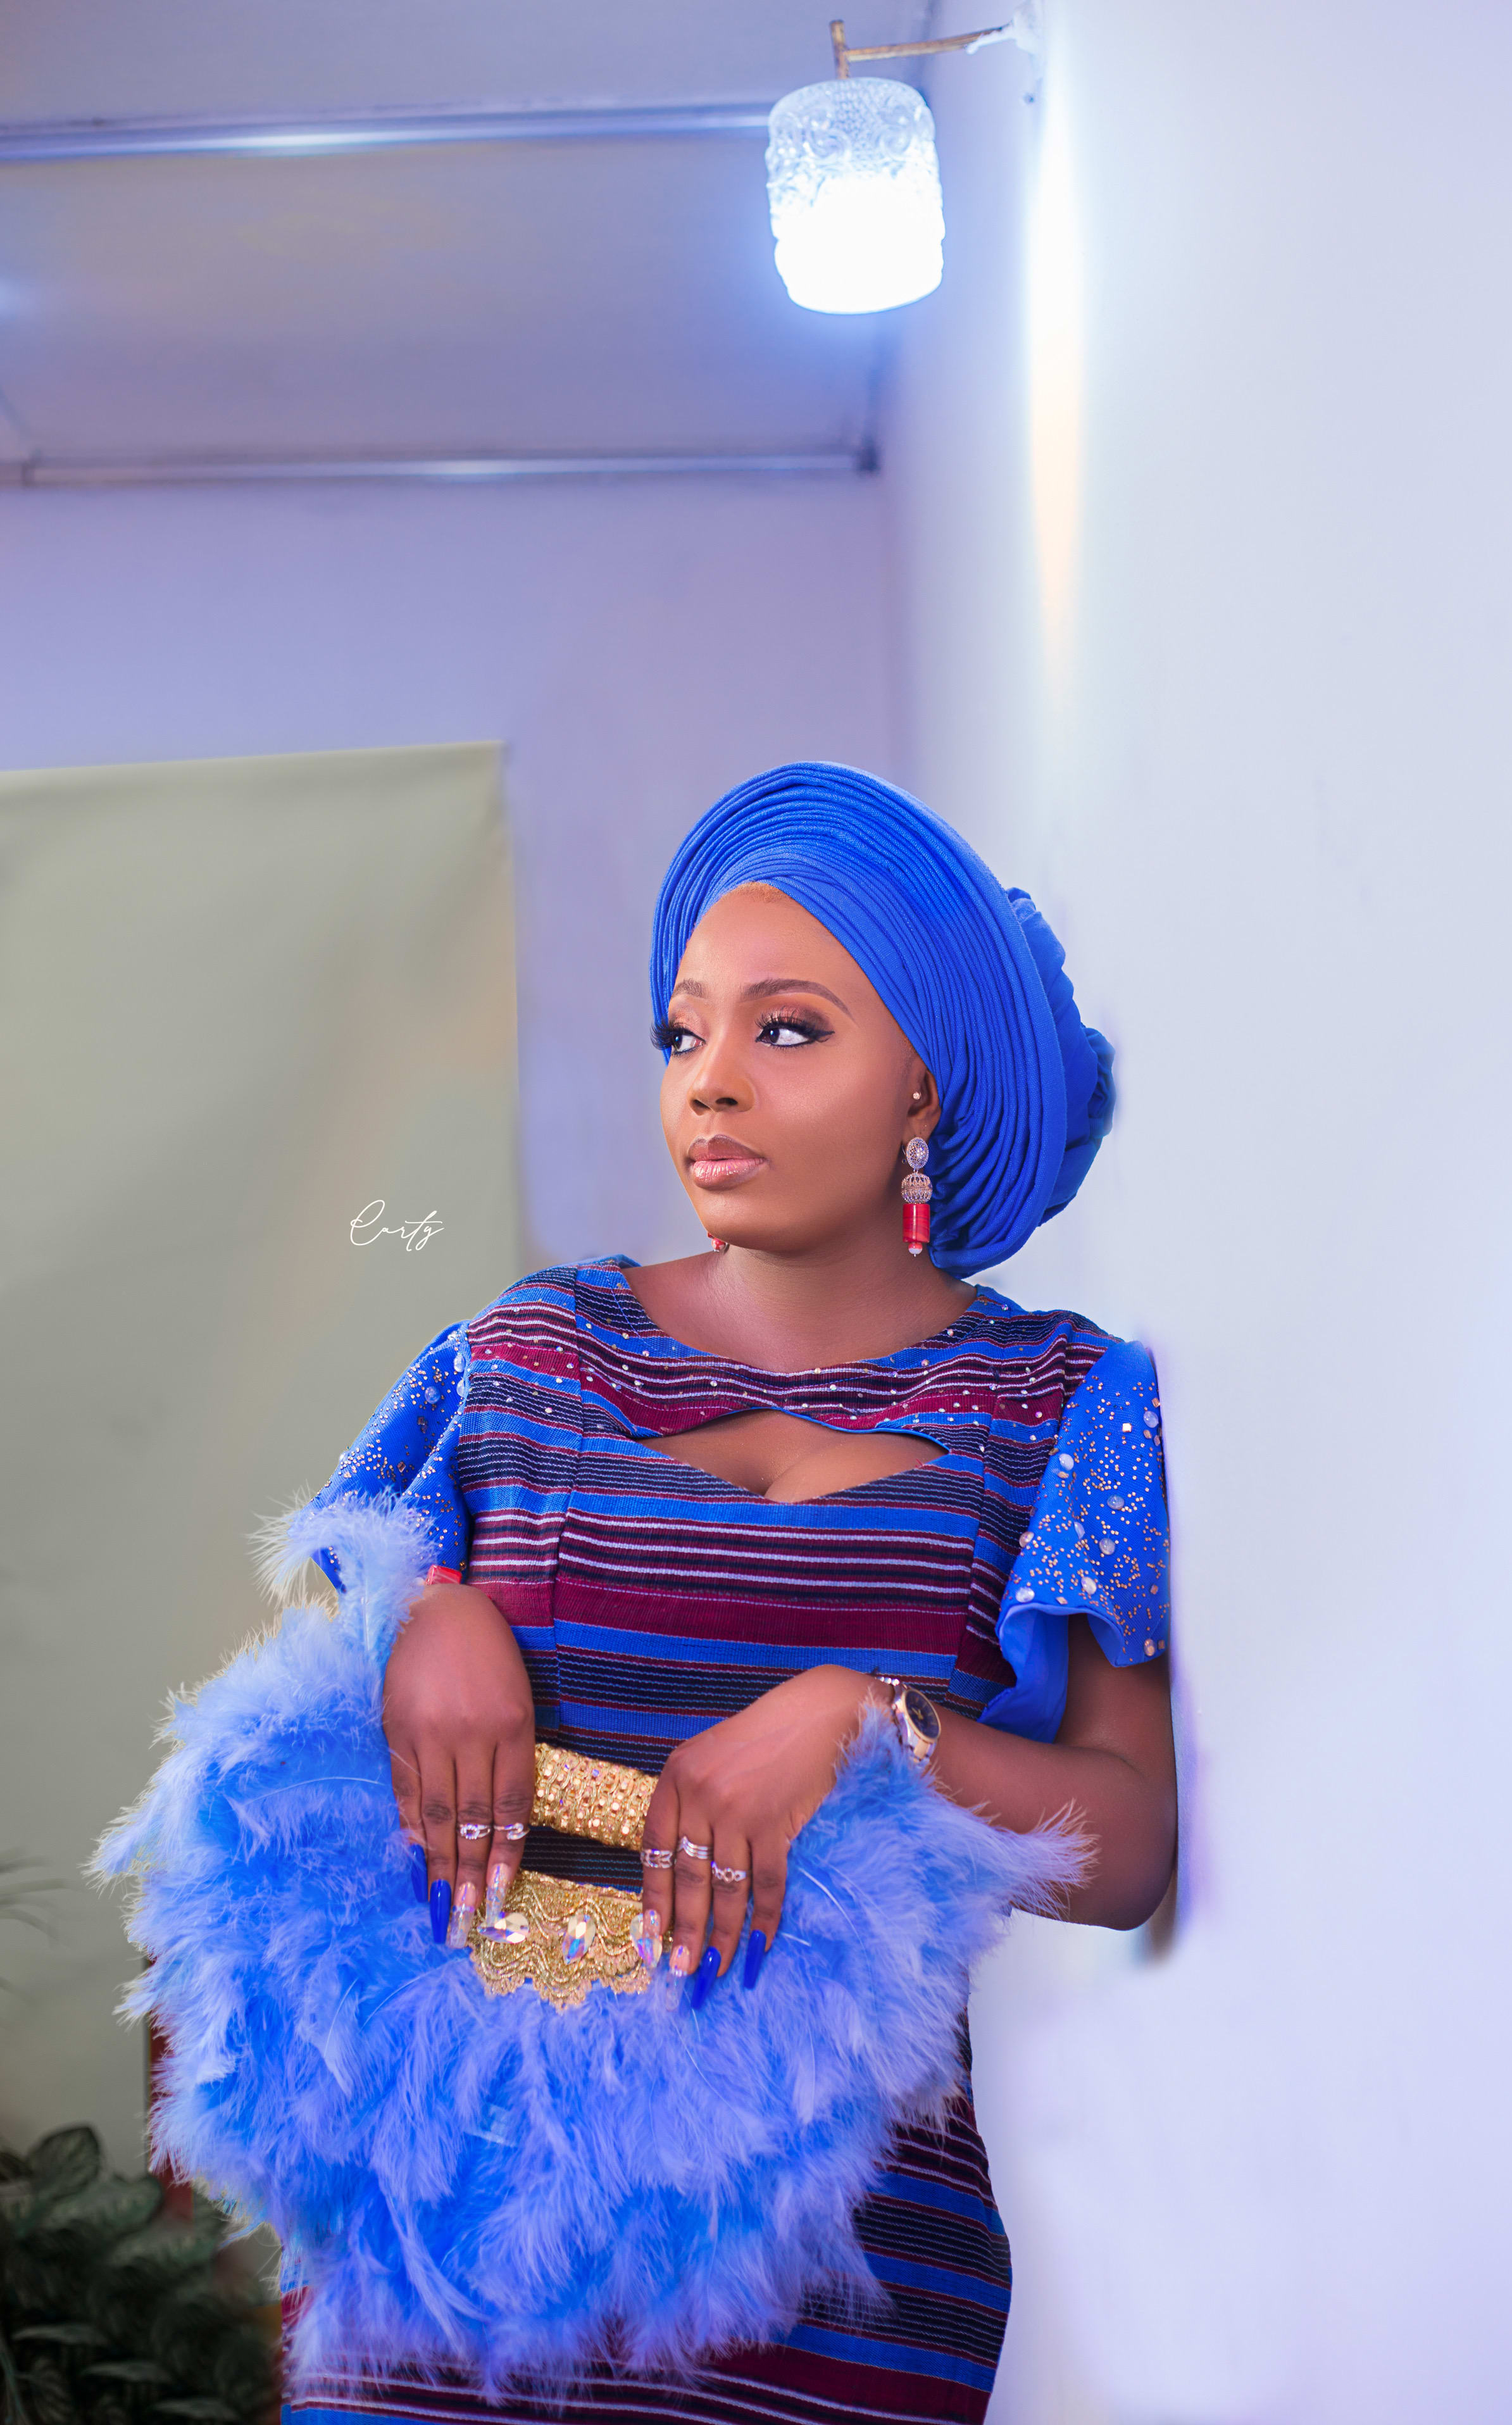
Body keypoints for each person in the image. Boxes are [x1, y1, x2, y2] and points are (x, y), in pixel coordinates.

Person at [290, 762, 1177, 2425]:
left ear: (923, 1085)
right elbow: (311, 1694)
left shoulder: (1057, 1405)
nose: (709, 1081)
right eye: (682, 1032)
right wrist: (431, 1617)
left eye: (786, 1030)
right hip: (461, 2233)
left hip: (838, 2272)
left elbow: (1125, 1848)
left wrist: (870, 1722)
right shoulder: (524, 1351)